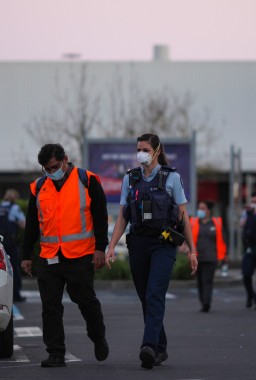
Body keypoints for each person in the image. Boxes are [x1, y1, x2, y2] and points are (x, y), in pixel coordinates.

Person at [105, 133, 198, 370]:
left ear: (157, 151)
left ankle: (148, 346)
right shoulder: (131, 178)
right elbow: (123, 217)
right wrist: (111, 247)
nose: (141, 154)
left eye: (145, 149)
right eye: (138, 149)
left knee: (154, 294)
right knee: (146, 297)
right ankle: (160, 347)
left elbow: (183, 215)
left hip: (163, 244)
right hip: (138, 243)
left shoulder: (171, 177)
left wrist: (192, 250)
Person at [20, 143, 109, 368]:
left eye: (54, 167)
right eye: (46, 169)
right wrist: (26, 255)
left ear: (65, 160)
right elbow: (31, 224)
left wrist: (101, 249)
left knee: (85, 301)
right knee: (50, 307)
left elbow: (100, 217)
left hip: (80, 255)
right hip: (49, 257)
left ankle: (97, 336)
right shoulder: (39, 187)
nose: (51, 173)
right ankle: (56, 353)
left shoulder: (87, 180)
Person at [0, 188, 26, 302]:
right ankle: (15, 294)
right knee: (14, 267)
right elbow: (23, 224)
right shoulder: (14, 208)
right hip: (11, 242)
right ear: (14, 197)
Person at [189, 200, 227, 312]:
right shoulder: (194, 222)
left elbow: (224, 240)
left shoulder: (216, 223)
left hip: (211, 257)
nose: (200, 211)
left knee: (207, 280)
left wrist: (225, 255)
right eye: (199, 208)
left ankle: (206, 302)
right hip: (197, 256)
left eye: (203, 208)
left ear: (208, 211)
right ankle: (203, 300)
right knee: (200, 281)